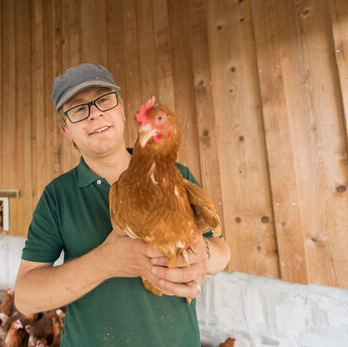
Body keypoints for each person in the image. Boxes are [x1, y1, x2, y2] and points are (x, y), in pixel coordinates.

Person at [14, 63, 231, 346]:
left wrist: (201, 253)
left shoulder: (176, 175)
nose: (96, 113)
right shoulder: (57, 196)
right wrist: (106, 262)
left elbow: (222, 253)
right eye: (79, 109)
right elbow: (26, 299)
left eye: (104, 100)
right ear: (67, 130)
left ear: (121, 110)